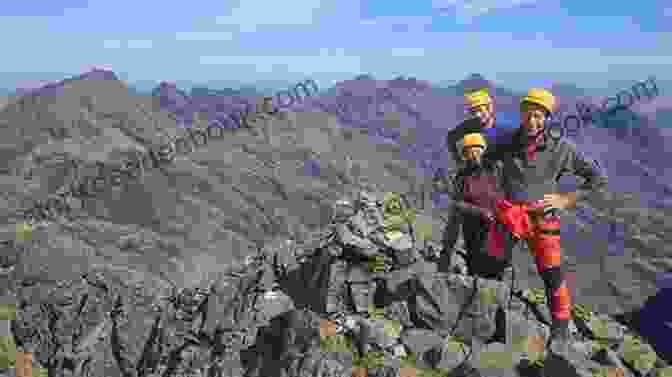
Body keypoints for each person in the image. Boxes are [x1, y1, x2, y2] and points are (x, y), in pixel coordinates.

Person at [483, 88, 608, 355]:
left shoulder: (561, 149)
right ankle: (490, 321)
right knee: (494, 267)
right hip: (511, 215)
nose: (532, 121)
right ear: (521, 114)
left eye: (539, 116)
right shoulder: (506, 143)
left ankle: (560, 331)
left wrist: (565, 200)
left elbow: (596, 178)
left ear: (547, 118)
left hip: (543, 220)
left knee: (551, 274)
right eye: (528, 115)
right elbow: (485, 164)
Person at [434, 132, 516, 281]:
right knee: (477, 271)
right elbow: (457, 204)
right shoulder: (463, 176)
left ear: (484, 151)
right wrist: (480, 212)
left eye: (477, 150)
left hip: (497, 229)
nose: (474, 155)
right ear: (465, 155)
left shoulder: (497, 169)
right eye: (469, 152)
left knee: (497, 269)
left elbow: (510, 193)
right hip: (473, 230)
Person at [446, 88, 516, 166]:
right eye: (473, 112)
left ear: (489, 108)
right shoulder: (466, 128)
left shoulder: (504, 132)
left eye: (479, 110)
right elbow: (451, 137)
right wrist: (458, 160)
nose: (477, 115)